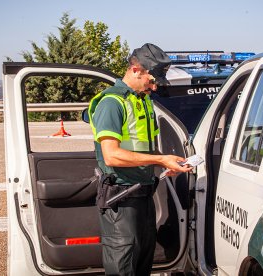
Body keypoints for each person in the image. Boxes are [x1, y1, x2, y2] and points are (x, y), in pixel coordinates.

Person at [88, 43, 192, 276]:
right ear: (136, 69)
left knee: (142, 264)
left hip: (143, 196)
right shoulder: (112, 103)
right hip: (120, 199)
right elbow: (111, 155)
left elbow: (148, 151)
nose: (154, 87)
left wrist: (166, 162)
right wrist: (161, 160)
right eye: (151, 80)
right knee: (123, 267)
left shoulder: (143, 101)